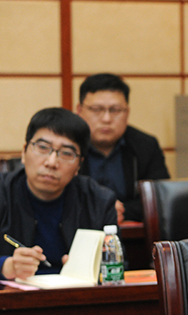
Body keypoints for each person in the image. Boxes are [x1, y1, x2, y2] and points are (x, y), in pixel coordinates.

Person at [0, 108, 117, 280]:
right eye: (42, 147)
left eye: (67, 153)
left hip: (74, 294)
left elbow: (116, 265)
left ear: (79, 165)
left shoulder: (99, 201)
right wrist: (5, 266)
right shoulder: (3, 192)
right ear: (24, 152)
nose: (51, 162)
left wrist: (91, 270)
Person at [76, 73, 170, 223]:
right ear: (79, 110)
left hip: (132, 231)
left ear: (127, 112)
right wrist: (100, 210)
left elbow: (160, 198)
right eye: (97, 109)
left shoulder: (145, 145)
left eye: (115, 110)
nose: (106, 119)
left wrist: (121, 211)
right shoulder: (69, 147)